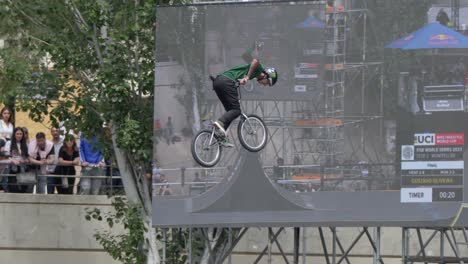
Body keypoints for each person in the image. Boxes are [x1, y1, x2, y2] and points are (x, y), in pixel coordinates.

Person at [212, 59, 278, 147]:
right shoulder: (259, 69)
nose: (264, 85)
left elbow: (239, 74)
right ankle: (220, 122)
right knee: (236, 110)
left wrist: (240, 81)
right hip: (226, 81)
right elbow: (255, 61)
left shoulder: (253, 74)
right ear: (266, 75)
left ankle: (221, 136)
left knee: (231, 112)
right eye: (267, 82)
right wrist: (247, 77)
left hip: (218, 82)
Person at [5, 127, 32, 193]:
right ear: (14, 134)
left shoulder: (26, 144)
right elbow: (6, 156)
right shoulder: (9, 143)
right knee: (13, 187)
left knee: (23, 188)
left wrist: (25, 161)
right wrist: (13, 160)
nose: (19, 135)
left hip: (23, 168)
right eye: (17, 134)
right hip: (12, 168)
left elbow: (28, 157)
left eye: (20, 134)